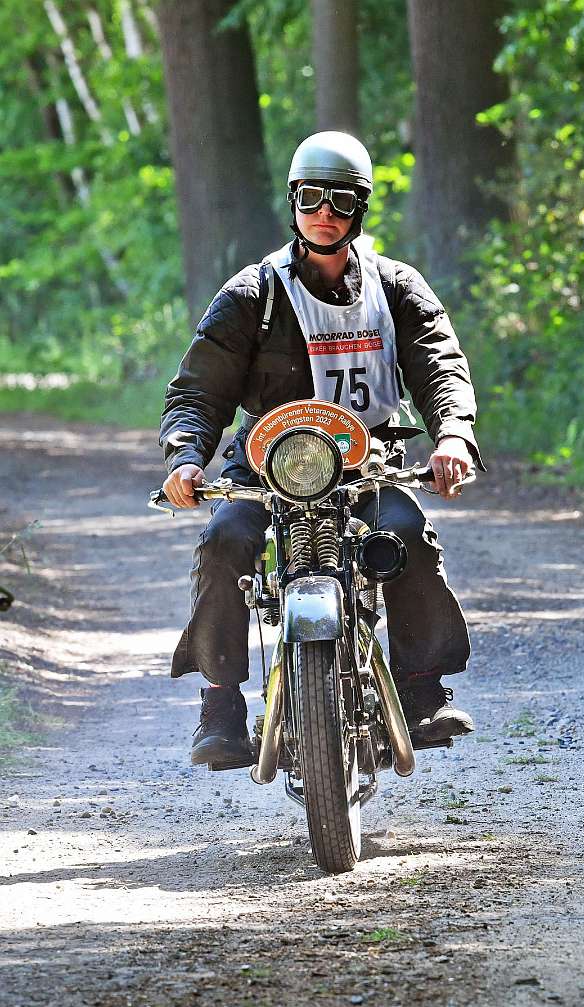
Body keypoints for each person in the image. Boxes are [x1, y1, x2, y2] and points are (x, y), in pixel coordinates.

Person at [160, 131, 484, 768]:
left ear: (361, 207)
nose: (325, 212)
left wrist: (452, 434)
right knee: (224, 539)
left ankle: (421, 691)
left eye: (341, 199)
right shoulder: (253, 295)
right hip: (269, 461)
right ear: (293, 201)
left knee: (408, 537)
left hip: (367, 461)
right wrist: (186, 456)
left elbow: (440, 365)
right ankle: (220, 705)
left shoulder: (397, 288)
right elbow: (198, 389)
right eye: (311, 197)